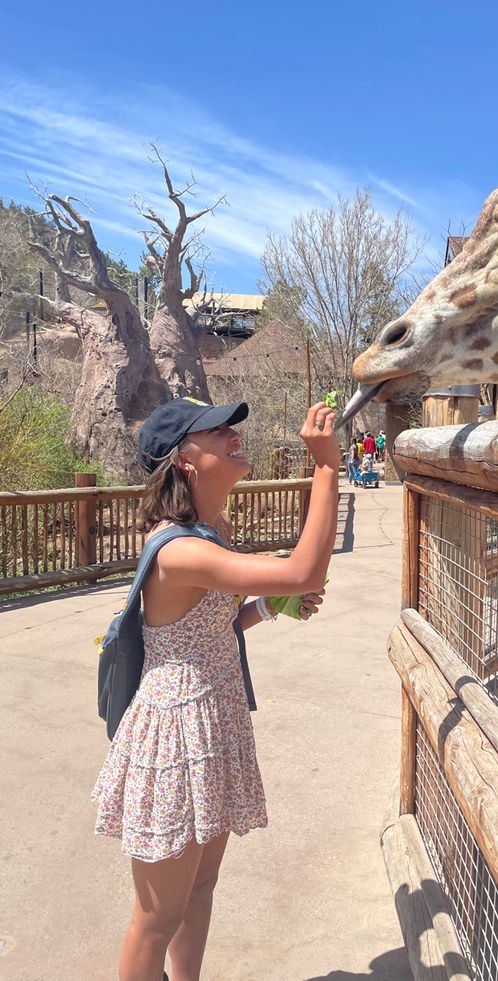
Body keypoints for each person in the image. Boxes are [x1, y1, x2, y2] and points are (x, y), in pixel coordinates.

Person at [91, 397, 339, 981]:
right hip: (175, 736)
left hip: (213, 722)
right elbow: (305, 569)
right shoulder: (180, 549)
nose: (233, 435)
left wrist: (266, 608)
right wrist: (326, 469)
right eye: (217, 431)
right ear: (184, 460)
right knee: (156, 918)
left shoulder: (212, 533)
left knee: (201, 887)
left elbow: (210, 626)